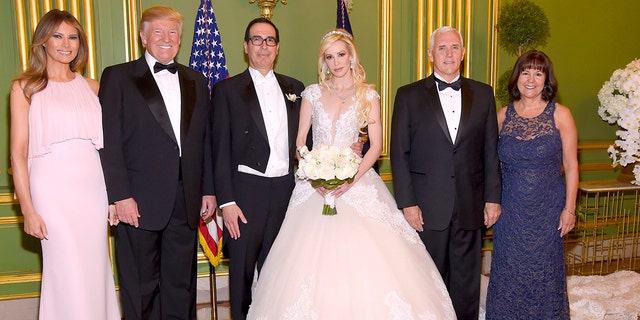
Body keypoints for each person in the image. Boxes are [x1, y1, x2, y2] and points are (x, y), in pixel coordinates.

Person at [245, 29, 457, 319]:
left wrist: (349, 181)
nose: (336, 62)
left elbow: (377, 146)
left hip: (357, 183)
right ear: (324, 62)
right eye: (329, 57)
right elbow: (300, 142)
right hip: (314, 188)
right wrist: (313, 175)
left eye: (341, 55)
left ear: (351, 55)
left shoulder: (367, 94)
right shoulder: (312, 94)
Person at [98, 6, 216, 319]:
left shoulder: (196, 79)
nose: (166, 39)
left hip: (186, 199)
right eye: (158, 32)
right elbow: (108, 141)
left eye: (173, 32)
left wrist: (208, 190)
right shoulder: (118, 76)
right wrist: (120, 195)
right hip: (137, 200)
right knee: (141, 285)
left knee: (181, 286)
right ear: (143, 36)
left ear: (180, 38)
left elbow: (203, 140)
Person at [9, 9, 120, 319]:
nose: (66, 43)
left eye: (72, 37)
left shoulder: (94, 88)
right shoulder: (25, 88)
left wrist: (113, 198)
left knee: (95, 265)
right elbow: (17, 154)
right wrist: (28, 210)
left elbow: (108, 151)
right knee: (65, 267)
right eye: (57, 35)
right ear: (43, 41)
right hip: (51, 188)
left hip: (92, 187)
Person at [390, 26, 502, 320]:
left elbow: (491, 151)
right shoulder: (408, 95)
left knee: (466, 282)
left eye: (454, 47)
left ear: (463, 53)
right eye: (442, 48)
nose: (449, 53)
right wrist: (408, 203)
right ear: (430, 55)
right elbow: (399, 154)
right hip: (426, 207)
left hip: (471, 203)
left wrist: (493, 198)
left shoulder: (484, 93)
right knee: (427, 280)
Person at [211, 18, 305, 320]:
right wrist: (227, 201)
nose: (263, 46)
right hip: (245, 194)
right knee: (241, 272)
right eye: (256, 39)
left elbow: (309, 142)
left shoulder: (295, 88)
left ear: (277, 48)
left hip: (286, 192)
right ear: (246, 46)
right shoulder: (227, 90)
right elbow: (219, 149)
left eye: (269, 40)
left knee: (277, 269)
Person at [485, 50, 577, 319]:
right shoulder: (502, 116)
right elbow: (490, 164)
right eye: (526, 72)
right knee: (508, 269)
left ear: (546, 79)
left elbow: (571, 166)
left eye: (539, 73)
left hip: (548, 210)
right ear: (517, 77)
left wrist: (569, 209)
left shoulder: (561, 115)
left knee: (544, 270)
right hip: (510, 211)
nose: (531, 79)